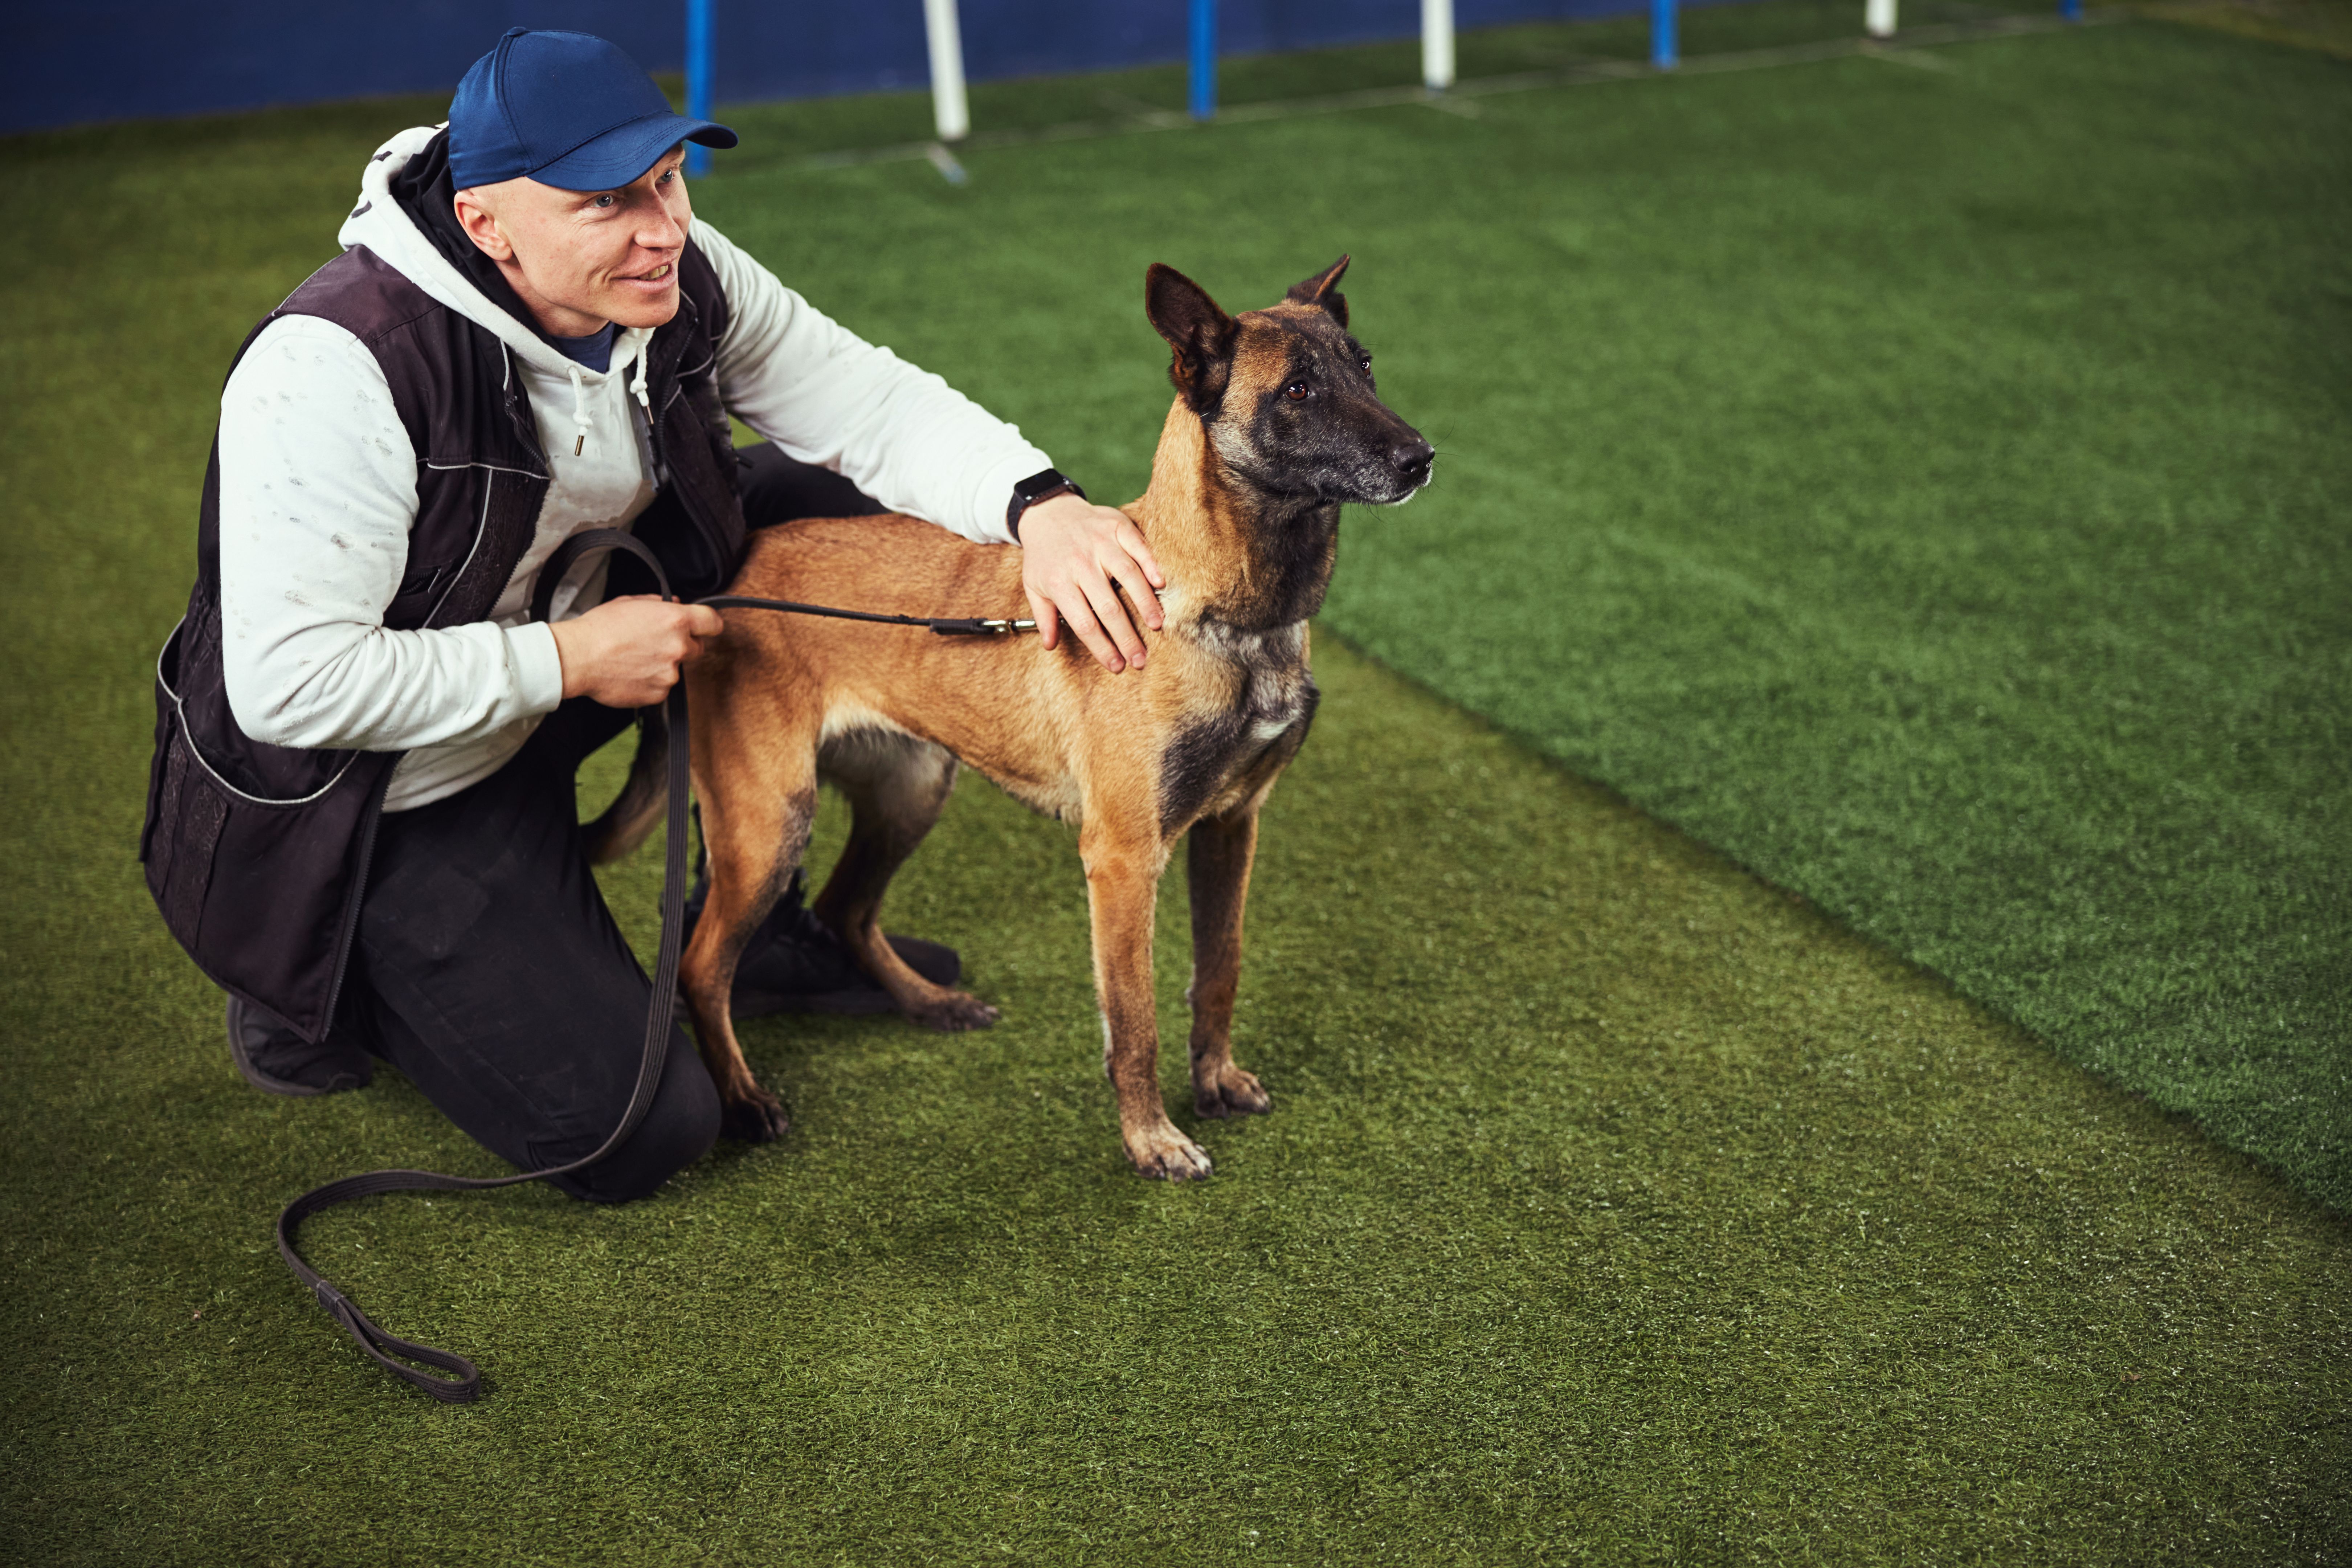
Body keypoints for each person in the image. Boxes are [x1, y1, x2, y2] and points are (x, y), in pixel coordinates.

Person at [140, 27, 1166, 1201]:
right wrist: (570, 659)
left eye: (670, 178)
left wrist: (1039, 505)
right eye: (606, 200)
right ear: (487, 224)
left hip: (572, 644)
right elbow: (292, 689)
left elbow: (857, 396)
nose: (662, 226)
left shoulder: (669, 268)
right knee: (637, 1133)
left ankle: (768, 919)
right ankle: (313, 981)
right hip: (381, 791)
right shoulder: (337, 367)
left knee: (836, 501)